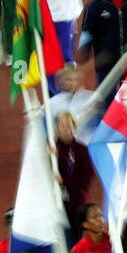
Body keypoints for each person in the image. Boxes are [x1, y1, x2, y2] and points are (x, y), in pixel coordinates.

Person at [51, 67, 98, 229]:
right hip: (56, 199)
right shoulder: (53, 103)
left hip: (77, 196)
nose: (71, 83)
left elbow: (86, 176)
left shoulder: (91, 98)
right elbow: (40, 124)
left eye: (74, 79)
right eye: (67, 79)